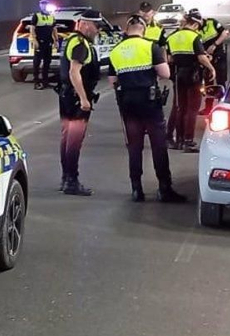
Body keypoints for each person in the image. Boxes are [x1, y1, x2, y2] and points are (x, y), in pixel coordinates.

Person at [108, 16, 188, 203]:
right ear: (143, 30)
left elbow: (112, 82)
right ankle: (164, 188)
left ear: (127, 30)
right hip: (150, 103)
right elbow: (165, 73)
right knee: (158, 146)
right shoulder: (151, 47)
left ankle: (137, 189)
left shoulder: (116, 51)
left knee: (134, 147)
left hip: (128, 104)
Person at [56, 14, 101, 196]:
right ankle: (71, 181)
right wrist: (84, 98)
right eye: (96, 26)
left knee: (67, 138)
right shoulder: (81, 44)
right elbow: (75, 72)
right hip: (76, 98)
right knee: (74, 140)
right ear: (85, 24)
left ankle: (66, 178)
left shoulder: (70, 40)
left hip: (66, 95)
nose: (98, 30)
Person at [164, 13, 207, 151]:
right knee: (192, 109)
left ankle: (174, 138)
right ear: (195, 24)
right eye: (198, 27)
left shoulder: (172, 37)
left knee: (178, 107)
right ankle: (188, 141)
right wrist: (211, 68)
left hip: (178, 75)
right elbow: (201, 57)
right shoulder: (195, 37)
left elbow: (169, 59)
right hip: (193, 76)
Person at [196, 9, 229, 84]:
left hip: (218, 53)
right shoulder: (194, 29)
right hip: (205, 56)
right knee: (208, 79)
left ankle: (222, 92)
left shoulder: (212, 22)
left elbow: (224, 33)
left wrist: (214, 45)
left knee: (221, 78)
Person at [31, 0, 58, 89]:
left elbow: (54, 29)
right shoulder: (36, 16)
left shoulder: (51, 16)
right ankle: (36, 82)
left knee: (47, 62)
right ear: (39, 5)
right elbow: (32, 29)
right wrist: (34, 40)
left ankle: (45, 82)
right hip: (40, 42)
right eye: (42, 4)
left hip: (48, 42)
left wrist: (56, 41)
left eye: (45, 3)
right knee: (37, 62)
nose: (44, 5)